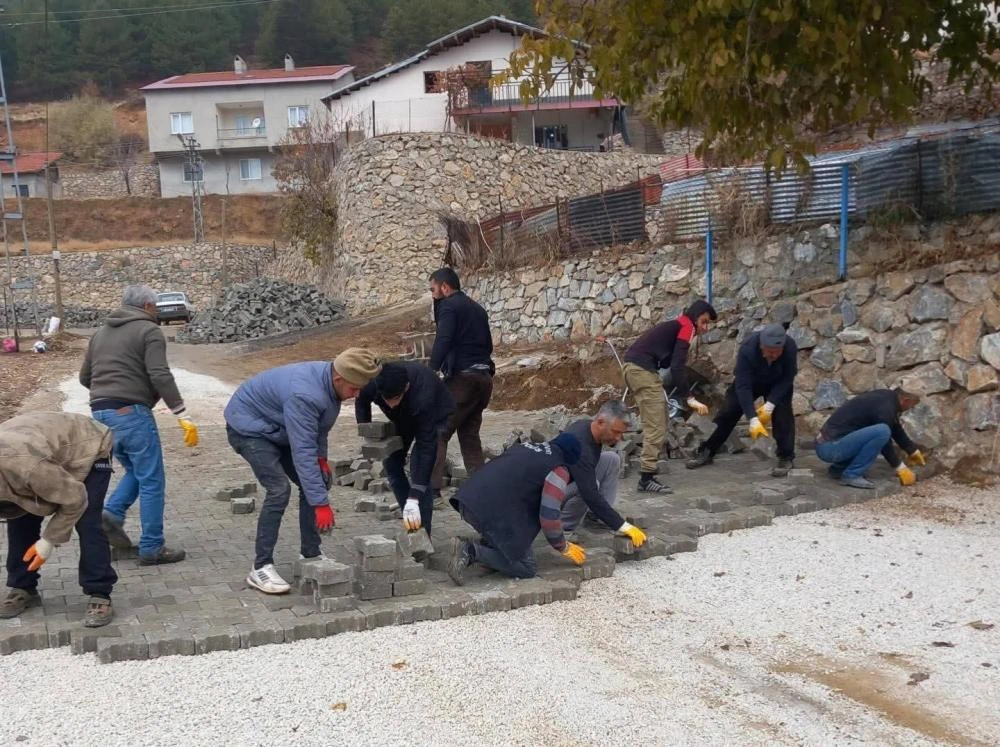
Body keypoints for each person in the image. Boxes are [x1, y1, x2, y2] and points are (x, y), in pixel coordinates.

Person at [224, 349, 382, 594]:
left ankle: (310, 553)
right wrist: (320, 504)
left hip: (280, 427)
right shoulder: (305, 395)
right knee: (279, 489)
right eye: (354, 388)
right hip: (249, 428)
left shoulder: (330, 384)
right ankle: (261, 567)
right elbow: (302, 450)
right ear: (339, 378)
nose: (357, 394)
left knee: (318, 479)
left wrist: (321, 460)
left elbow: (318, 429)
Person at [80, 283, 198, 566]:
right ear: (147, 306)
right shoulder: (149, 330)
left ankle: (112, 513)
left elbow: (85, 377)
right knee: (152, 480)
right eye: (155, 307)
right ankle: (152, 547)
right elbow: (159, 374)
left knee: (136, 470)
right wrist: (181, 412)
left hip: (101, 414)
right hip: (131, 412)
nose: (156, 312)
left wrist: (108, 392)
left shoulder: (100, 334)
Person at [447, 432, 647, 583]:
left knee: (514, 525)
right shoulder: (558, 469)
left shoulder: (528, 447)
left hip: (468, 500)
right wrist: (563, 546)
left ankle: (490, 545)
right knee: (526, 567)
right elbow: (548, 515)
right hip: (489, 512)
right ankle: (471, 551)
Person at [0, 413, 118, 628]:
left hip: (88, 444)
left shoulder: (30, 468)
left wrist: (49, 540)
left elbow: (75, 499)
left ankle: (100, 592)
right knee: (21, 521)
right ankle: (23, 587)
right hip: (39, 445)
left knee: (87, 521)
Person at [622, 299, 717, 493]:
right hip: (641, 370)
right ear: (695, 317)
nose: (705, 328)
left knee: (661, 419)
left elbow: (670, 361)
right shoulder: (686, 327)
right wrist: (689, 397)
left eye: (708, 324)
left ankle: (648, 470)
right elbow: (677, 366)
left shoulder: (679, 325)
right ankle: (646, 478)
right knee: (656, 425)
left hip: (637, 369)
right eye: (704, 322)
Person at [355, 361, 455, 537]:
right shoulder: (374, 383)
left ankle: (422, 536)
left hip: (436, 417)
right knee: (391, 464)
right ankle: (412, 522)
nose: (391, 405)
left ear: (406, 387)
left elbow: (427, 448)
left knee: (419, 472)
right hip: (403, 418)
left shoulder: (424, 398)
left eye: (395, 398)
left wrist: (415, 495)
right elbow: (361, 401)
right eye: (386, 400)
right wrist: (367, 431)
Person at [687, 323, 798, 477]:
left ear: (782, 347)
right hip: (750, 382)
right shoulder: (748, 348)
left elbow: (788, 378)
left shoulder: (790, 347)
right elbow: (743, 386)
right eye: (768, 351)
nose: (771, 356)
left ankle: (786, 457)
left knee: (783, 416)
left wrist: (770, 404)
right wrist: (752, 418)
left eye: (775, 352)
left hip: (778, 383)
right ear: (761, 345)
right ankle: (707, 450)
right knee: (728, 411)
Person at [427, 267, 495, 498]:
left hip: (463, 380)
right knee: (469, 435)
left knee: (438, 430)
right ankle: (482, 490)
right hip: (484, 380)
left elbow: (443, 339)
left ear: (445, 287)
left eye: (433, 290)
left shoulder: (449, 306)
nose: (433, 295)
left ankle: (431, 491)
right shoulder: (478, 309)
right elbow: (488, 345)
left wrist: (431, 370)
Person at [815, 388, 925, 489]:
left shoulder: (887, 398)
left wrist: (912, 450)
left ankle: (839, 469)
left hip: (829, 444)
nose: (911, 408)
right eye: (912, 406)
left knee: (881, 430)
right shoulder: (886, 407)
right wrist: (899, 467)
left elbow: (895, 427)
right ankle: (852, 475)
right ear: (906, 400)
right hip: (831, 449)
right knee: (882, 431)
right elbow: (885, 442)